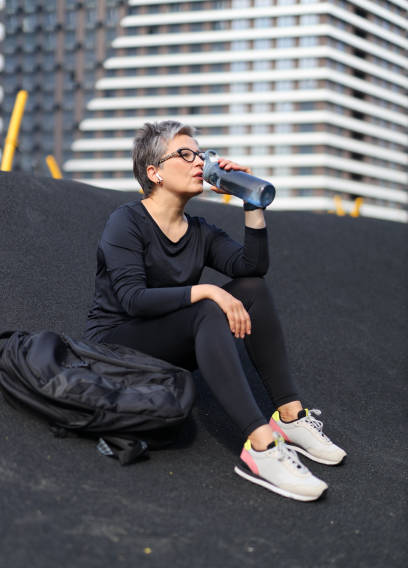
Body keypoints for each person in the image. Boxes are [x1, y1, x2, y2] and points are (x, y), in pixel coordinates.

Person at [84, 120, 346, 502]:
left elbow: (251, 269)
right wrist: (206, 290)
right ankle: (261, 449)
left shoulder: (200, 230)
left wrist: (251, 203)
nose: (199, 163)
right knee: (207, 307)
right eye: (185, 154)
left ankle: (289, 417)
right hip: (114, 343)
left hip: (167, 335)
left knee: (252, 290)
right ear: (154, 172)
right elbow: (131, 299)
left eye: (201, 154)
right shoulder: (126, 222)